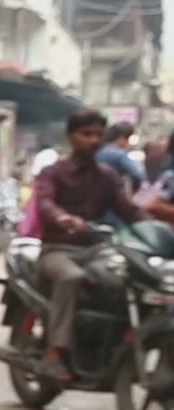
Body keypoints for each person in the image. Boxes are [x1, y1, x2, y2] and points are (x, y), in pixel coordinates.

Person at [32, 108, 146, 382]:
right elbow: (45, 204)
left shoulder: (107, 176)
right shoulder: (52, 173)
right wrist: (63, 218)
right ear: (72, 136)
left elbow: (131, 211)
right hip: (57, 250)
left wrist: (156, 228)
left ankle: (112, 347)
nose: (94, 140)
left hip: (96, 250)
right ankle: (54, 354)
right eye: (87, 134)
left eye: (98, 134)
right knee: (72, 278)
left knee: (124, 280)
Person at [96, 121, 145, 199]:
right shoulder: (119, 154)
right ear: (122, 138)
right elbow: (137, 175)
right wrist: (133, 193)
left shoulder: (97, 151)